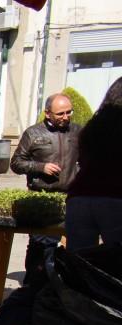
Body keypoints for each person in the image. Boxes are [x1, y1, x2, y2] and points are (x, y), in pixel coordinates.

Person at [10, 93, 81, 279]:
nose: (66, 117)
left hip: (70, 197)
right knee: (42, 243)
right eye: (60, 114)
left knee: (75, 241)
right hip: (42, 196)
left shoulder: (77, 132)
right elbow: (16, 163)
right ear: (48, 113)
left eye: (69, 112)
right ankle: (35, 281)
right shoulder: (33, 134)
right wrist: (41, 167)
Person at [65, 78, 122, 250]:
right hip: (115, 197)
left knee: (79, 264)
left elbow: (82, 160)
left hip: (80, 196)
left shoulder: (93, 126)